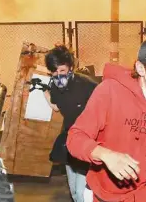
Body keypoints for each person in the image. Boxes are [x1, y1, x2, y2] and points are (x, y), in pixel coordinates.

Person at [66, 35, 146, 202]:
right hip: (104, 193)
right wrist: (105, 154)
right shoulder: (110, 91)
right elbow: (75, 138)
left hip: (141, 190)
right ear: (140, 68)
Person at [44, 45, 98, 202]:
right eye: (54, 72)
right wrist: (44, 92)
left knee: (82, 193)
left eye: (62, 71)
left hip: (88, 140)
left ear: (71, 67)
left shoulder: (87, 84)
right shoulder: (54, 86)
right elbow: (56, 107)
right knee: (74, 191)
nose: (58, 75)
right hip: (70, 139)